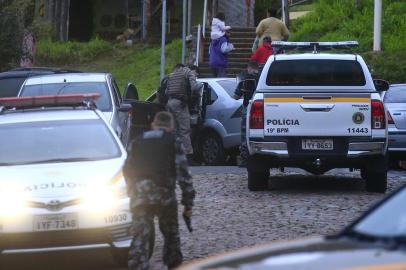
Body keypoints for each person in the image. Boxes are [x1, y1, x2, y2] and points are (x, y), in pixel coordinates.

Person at [124, 111, 195, 270]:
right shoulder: (173, 142)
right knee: (171, 237)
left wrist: (132, 192)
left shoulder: (137, 142)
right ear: (171, 127)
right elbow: (184, 175)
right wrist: (188, 203)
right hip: (165, 196)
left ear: (153, 125)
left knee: (140, 237)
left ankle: (138, 265)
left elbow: (126, 169)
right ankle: (173, 264)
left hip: (140, 196)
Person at [166, 64, 202, 156]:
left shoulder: (173, 74)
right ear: (192, 70)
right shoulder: (188, 72)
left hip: (169, 103)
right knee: (185, 130)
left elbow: (166, 91)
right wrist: (199, 89)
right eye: (196, 73)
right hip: (180, 104)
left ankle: (173, 153)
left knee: (174, 130)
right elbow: (194, 87)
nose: (196, 75)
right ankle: (188, 154)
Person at [233, 61, 260, 166]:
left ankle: (245, 158)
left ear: (249, 68)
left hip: (247, 108)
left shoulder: (244, 79)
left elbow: (236, 96)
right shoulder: (262, 78)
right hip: (260, 108)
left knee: (245, 133)